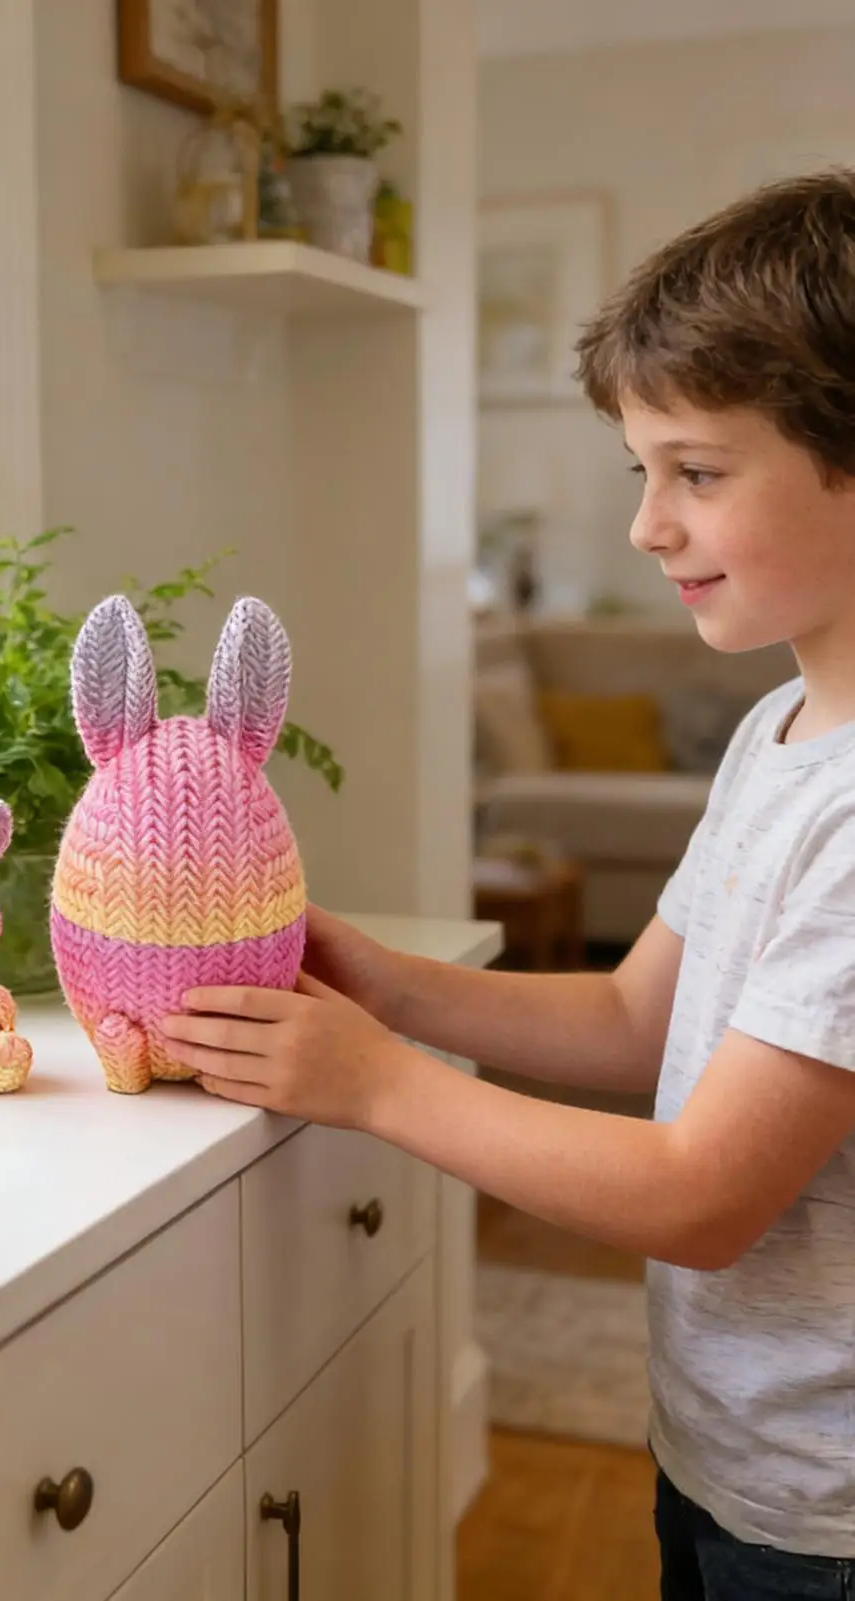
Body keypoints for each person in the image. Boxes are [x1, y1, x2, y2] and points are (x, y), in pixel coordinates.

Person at [162, 169, 855, 1599]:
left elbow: (699, 1197)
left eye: (699, 474)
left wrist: (379, 1082)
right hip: (729, 1450)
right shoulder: (778, 733)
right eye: (641, 473)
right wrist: (382, 981)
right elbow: (631, 1019)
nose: (647, 527)